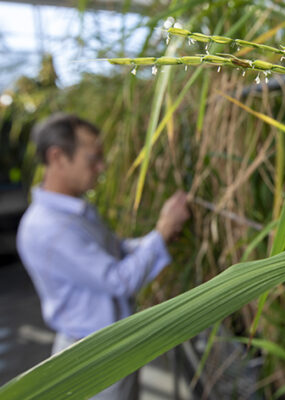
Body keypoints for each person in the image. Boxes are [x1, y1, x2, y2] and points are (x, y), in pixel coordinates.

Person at [16, 113, 190, 399]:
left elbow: (116, 251)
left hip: (108, 347)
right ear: (58, 157)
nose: (101, 167)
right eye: (93, 158)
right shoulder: (50, 229)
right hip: (93, 358)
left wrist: (162, 234)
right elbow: (118, 279)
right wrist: (161, 232)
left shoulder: (72, 212)